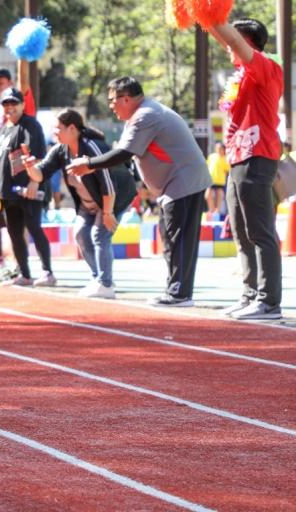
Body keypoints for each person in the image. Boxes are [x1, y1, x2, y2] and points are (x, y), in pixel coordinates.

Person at [68, 77, 211, 307]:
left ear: (126, 98)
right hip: (174, 185)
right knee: (170, 237)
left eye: (113, 101)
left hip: (183, 182)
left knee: (179, 239)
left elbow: (124, 152)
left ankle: (180, 294)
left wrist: (90, 163)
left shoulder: (146, 115)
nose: (111, 106)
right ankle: (175, 290)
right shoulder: (142, 114)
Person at [206, 18, 284, 320]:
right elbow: (228, 40)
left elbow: (234, 42)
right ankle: (250, 294)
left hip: (257, 155)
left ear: (247, 42)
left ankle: (269, 302)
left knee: (259, 231)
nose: (227, 47)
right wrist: (201, 13)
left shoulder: (266, 67)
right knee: (240, 230)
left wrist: (215, 16)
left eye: (233, 42)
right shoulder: (240, 74)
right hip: (237, 158)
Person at [24, 109, 137, 299]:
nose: (54, 132)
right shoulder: (61, 150)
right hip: (88, 201)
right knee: (81, 234)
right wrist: (29, 167)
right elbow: (40, 173)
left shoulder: (93, 147)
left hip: (113, 197)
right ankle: (99, 278)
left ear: (72, 128)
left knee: (99, 235)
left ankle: (105, 284)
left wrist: (108, 214)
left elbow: (108, 183)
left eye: (58, 128)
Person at [0, 88, 54, 286]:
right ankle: (25, 274)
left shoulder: (30, 125)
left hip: (27, 189)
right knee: (14, 232)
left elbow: (35, 155)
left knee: (34, 228)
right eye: (6, 103)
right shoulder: (3, 129)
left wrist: (34, 181)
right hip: (6, 191)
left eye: (14, 103)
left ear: (22, 104)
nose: (10, 107)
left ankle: (48, 272)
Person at [205, 141, 230, 217]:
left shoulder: (225, 159)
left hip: (220, 180)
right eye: (217, 148)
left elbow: (227, 170)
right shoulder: (212, 156)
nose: (219, 150)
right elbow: (207, 165)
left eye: (220, 149)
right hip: (211, 179)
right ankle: (211, 210)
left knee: (219, 196)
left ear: (223, 150)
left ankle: (217, 211)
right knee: (208, 195)